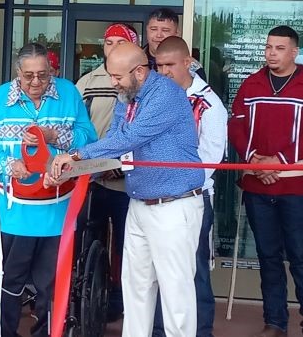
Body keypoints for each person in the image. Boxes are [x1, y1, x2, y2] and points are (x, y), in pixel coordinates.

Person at [50, 42, 204, 337]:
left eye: (118, 77)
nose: (113, 83)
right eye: (110, 76)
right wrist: (75, 170)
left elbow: (130, 138)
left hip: (174, 205)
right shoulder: (126, 95)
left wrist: (78, 156)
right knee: (135, 286)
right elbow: (114, 138)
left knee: (176, 292)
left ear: (140, 72)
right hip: (139, 201)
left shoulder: (167, 94)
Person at [0, 42, 97, 337]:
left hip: (57, 210)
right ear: (18, 73)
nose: (36, 82)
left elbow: (89, 139)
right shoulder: (0, 98)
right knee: (9, 282)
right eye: (29, 76)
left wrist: (57, 135)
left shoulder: (68, 94)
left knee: (49, 285)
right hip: (14, 211)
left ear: (52, 71)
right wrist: (7, 163)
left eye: (43, 75)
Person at [228, 25, 303, 337]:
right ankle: (275, 322)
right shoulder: (252, 83)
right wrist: (255, 159)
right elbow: (235, 125)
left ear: (294, 52)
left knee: (300, 258)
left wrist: (279, 161)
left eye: (279, 48)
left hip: (296, 188)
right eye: (269, 47)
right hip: (258, 185)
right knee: (268, 258)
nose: (271, 53)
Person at [154, 37, 228, 337]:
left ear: (188, 63)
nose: (164, 72)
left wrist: (173, 181)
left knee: (194, 272)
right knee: (160, 272)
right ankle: (160, 331)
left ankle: (201, 332)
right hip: (157, 199)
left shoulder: (210, 104)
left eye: (170, 65)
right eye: (159, 66)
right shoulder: (154, 97)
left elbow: (209, 161)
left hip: (193, 200)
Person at [74, 23, 137, 322]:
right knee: (90, 242)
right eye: (108, 42)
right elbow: (75, 128)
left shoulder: (139, 83)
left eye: (119, 42)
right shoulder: (87, 82)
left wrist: (119, 163)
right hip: (94, 179)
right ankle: (92, 301)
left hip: (129, 184)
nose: (111, 47)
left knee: (128, 246)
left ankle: (122, 301)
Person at [144, 7, 206, 79]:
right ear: (147, 30)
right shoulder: (134, 60)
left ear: (177, 33)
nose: (159, 35)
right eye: (153, 29)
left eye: (165, 30)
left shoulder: (191, 66)